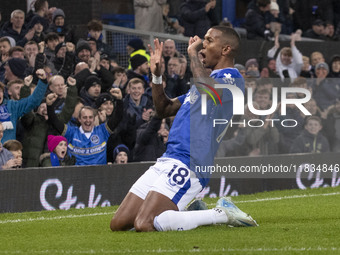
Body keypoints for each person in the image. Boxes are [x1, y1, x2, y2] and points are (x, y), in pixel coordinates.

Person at [110, 26, 258, 232]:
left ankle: (221, 213)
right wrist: (157, 76)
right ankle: (188, 213)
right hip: (168, 159)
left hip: (190, 162)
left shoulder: (233, 80)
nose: (202, 44)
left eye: (208, 40)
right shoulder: (200, 86)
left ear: (225, 49)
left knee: (144, 224)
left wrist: (191, 55)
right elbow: (164, 108)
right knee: (118, 223)